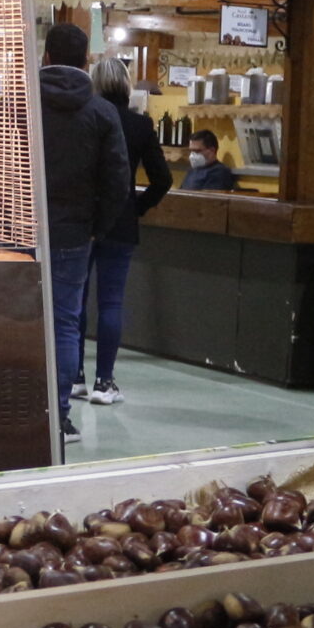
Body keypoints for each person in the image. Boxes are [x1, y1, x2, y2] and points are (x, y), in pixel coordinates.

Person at [36, 22, 130, 447]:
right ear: (86, 61)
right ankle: (59, 418)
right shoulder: (102, 113)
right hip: (74, 235)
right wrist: (97, 229)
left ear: (46, 57)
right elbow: (118, 184)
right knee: (64, 324)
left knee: (15, 320)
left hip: (21, 230)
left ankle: (19, 409)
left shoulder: (16, 105)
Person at [75, 55, 173, 407]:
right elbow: (163, 179)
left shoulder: (85, 118)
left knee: (77, 300)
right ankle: (105, 381)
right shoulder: (141, 125)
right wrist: (138, 206)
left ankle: (75, 377)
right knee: (111, 302)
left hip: (83, 222)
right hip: (121, 222)